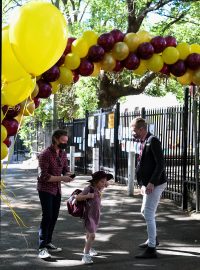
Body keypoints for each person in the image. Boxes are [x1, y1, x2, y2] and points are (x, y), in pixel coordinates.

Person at [130, 117, 167, 259]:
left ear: (141, 129)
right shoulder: (144, 141)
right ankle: (153, 239)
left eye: (134, 130)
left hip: (156, 184)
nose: (133, 133)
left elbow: (160, 164)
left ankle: (152, 248)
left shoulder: (153, 141)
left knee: (148, 212)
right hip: (148, 183)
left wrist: (151, 182)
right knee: (144, 211)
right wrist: (142, 184)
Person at [37, 129, 74, 259]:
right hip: (45, 189)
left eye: (66, 141)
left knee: (54, 216)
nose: (65, 143)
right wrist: (63, 178)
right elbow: (44, 177)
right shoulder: (46, 154)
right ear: (56, 139)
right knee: (47, 216)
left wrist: (69, 175)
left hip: (57, 189)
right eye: (63, 141)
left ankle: (48, 242)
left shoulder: (63, 154)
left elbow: (65, 170)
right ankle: (42, 247)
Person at [75, 171, 113, 264]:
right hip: (89, 216)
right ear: (95, 181)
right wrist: (87, 196)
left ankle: (88, 248)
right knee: (92, 236)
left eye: (105, 182)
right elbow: (77, 197)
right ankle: (85, 256)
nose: (104, 184)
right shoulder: (89, 189)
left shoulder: (99, 188)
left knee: (89, 235)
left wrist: (105, 181)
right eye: (102, 182)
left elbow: (106, 183)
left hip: (96, 215)